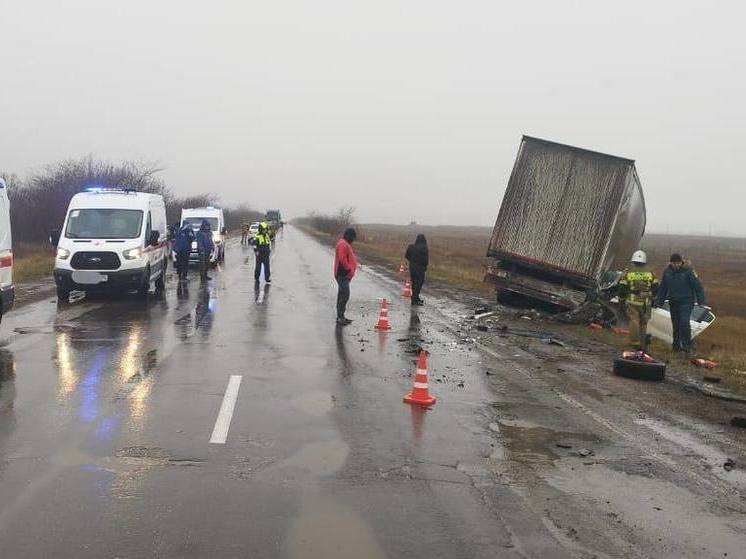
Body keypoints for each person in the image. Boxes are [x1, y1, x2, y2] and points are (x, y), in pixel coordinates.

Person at [655, 253, 706, 353]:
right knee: (676, 325)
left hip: (686, 302)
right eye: (674, 263)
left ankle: (688, 346)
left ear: (681, 262)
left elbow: (698, 287)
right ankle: (676, 346)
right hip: (673, 302)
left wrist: (700, 300)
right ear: (670, 263)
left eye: (678, 263)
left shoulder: (688, 272)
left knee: (684, 322)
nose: (676, 265)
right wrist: (659, 301)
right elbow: (663, 289)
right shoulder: (667, 272)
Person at [618, 250, 657, 351]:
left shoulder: (628, 272)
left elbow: (622, 287)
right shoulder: (651, 272)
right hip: (646, 302)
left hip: (633, 301)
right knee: (644, 322)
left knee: (634, 320)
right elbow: (656, 287)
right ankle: (643, 345)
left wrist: (621, 299)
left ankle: (635, 342)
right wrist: (652, 297)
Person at [334, 227, 358, 325]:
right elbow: (342, 259)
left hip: (344, 274)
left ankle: (341, 316)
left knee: (342, 294)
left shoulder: (344, 243)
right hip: (342, 274)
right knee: (345, 294)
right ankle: (340, 317)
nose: (353, 240)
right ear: (348, 236)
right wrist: (348, 269)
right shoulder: (343, 244)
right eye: (352, 237)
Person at [405, 234, 429, 305]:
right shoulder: (424, 247)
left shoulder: (411, 246)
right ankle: (414, 299)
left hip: (412, 267)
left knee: (414, 282)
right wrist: (425, 266)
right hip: (420, 268)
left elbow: (406, 256)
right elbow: (426, 259)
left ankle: (416, 297)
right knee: (419, 283)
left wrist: (412, 260)